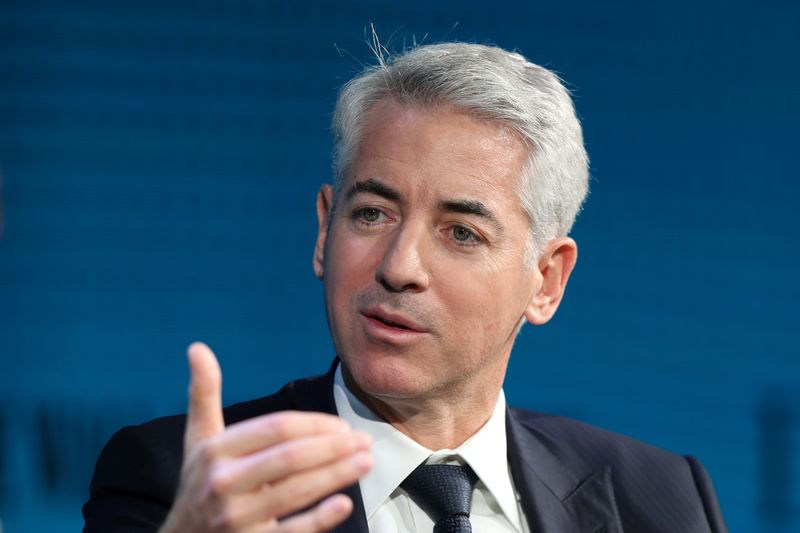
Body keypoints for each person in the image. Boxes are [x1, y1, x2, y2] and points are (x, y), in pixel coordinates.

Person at [83, 42, 728, 533]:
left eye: (461, 233)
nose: (400, 265)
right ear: (322, 230)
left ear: (547, 280)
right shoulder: (184, 484)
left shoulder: (660, 499)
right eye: (372, 214)